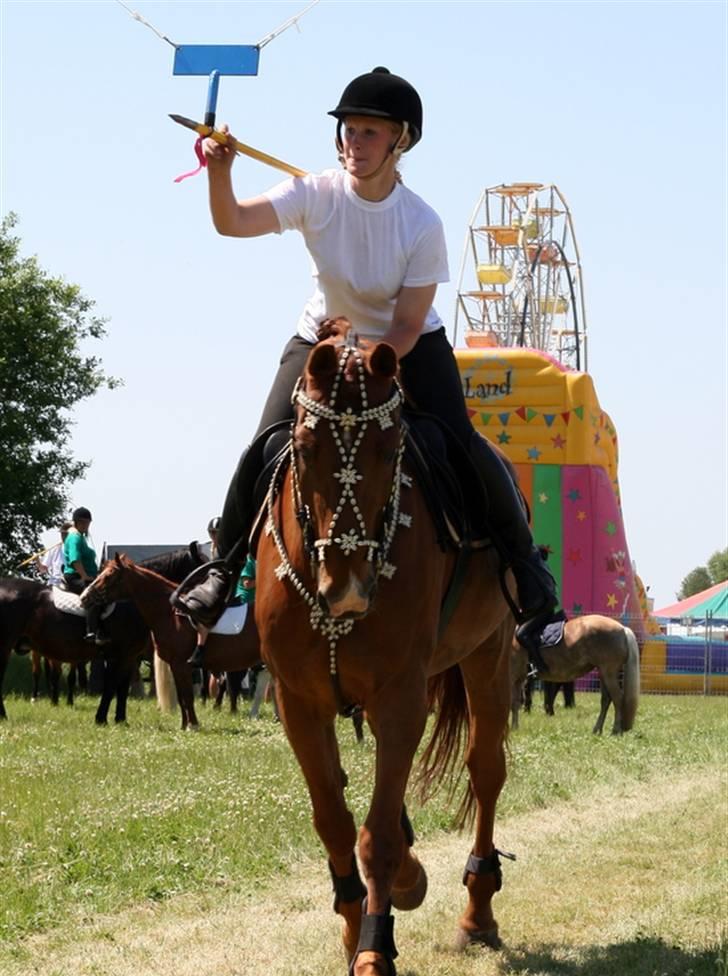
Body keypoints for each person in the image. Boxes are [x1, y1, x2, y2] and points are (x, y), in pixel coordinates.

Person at [172, 66, 557, 642]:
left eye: (370, 132)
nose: (356, 142)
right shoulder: (313, 194)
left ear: (401, 140)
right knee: (268, 442)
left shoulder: (422, 223)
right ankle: (224, 569)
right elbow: (231, 223)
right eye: (349, 130)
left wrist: (367, 347)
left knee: (461, 444)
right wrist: (219, 174)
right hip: (320, 338)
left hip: (408, 344)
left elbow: (404, 324)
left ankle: (531, 578)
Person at [187, 554, 256, 668]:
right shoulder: (249, 561)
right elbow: (247, 583)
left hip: (250, 597)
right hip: (245, 598)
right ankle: (200, 647)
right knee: (205, 614)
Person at [62, 507, 110, 645]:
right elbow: (75, 559)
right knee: (95, 595)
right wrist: (84, 576)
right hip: (76, 576)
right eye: (83, 522)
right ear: (77, 522)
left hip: (86, 575)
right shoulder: (74, 538)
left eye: (88, 523)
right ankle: (92, 632)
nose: (86, 525)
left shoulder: (81, 537)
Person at [37, 520, 73, 586]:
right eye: (62, 534)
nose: (63, 536)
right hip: (55, 583)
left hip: (72, 584)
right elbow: (43, 569)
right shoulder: (53, 549)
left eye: (66, 534)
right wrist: (37, 560)